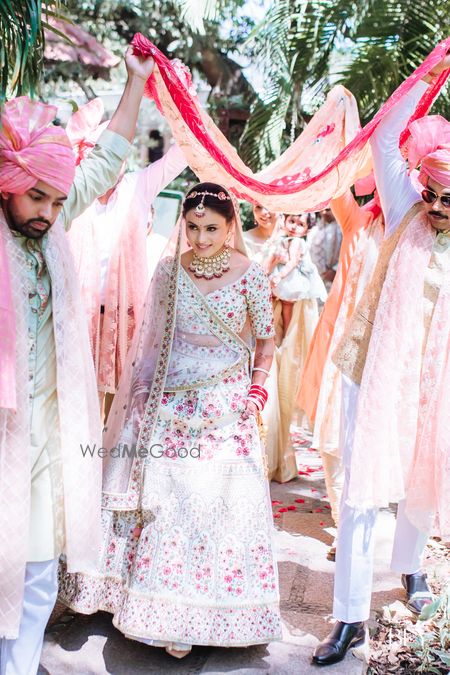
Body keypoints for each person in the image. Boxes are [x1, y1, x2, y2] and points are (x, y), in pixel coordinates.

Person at [59, 183, 282, 657]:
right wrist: (139, 398)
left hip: (224, 406)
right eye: (194, 227)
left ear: (230, 227)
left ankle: (205, 613)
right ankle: (146, 605)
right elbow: (153, 342)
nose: (201, 239)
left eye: (212, 229)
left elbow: (266, 340)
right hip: (166, 402)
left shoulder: (250, 275)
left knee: (210, 505)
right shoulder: (168, 272)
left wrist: (256, 393)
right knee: (164, 503)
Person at [0, 48, 155, 675]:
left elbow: (107, 157)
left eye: (57, 201)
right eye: (36, 197)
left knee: (38, 569)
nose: (48, 212)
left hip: (42, 439)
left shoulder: (55, 230)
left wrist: (138, 81)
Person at [312, 53, 450, 666]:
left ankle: (411, 571)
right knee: (360, 497)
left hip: (435, 382)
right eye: (435, 193)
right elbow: (391, 128)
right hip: (372, 371)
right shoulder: (402, 208)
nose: (439, 208)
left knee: (425, 476)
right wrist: (434, 67)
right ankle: (348, 620)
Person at [67, 101, 187, 411]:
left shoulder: (138, 186)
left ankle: (107, 458)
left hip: (126, 316)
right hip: (79, 315)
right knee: (78, 404)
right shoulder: (73, 193)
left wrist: (180, 101)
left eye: (118, 153)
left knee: (119, 406)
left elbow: (180, 156)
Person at [297, 191, 384, 559]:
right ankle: (343, 524)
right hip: (343, 344)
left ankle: (362, 523)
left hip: (387, 350)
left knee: (370, 443)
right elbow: (336, 185)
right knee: (332, 440)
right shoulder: (356, 220)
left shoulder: (418, 227)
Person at [267, 213, 326, 338]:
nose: (294, 227)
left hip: (291, 279)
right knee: (282, 306)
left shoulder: (296, 241)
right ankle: (283, 334)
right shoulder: (286, 239)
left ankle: (286, 336)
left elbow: (293, 262)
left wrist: (279, 276)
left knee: (287, 307)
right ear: (285, 221)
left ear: (306, 230)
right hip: (287, 277)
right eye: (292, 221)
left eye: (300, 225)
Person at [308, 207, 342, 292]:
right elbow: (310, 253)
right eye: (321, 210)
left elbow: (348, 250)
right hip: (319, 277)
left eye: (327, 210)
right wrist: (323, 272)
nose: (323, 212)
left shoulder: (343, 228)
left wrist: (335, 270)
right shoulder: (314, 231)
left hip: (339, 275)